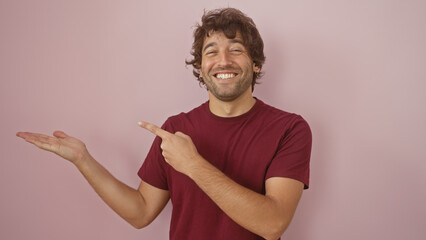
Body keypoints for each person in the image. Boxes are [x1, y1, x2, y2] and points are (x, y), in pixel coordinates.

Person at [16, 7, 312, 240]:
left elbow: (272, 224)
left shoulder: (289, 129)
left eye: (236, 49)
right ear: (200, 68)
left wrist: (193, 164)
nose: (223, 60)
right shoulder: (175, 129)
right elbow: (141, 212)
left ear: (256, 63)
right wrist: (83, 160)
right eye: (211, 52)